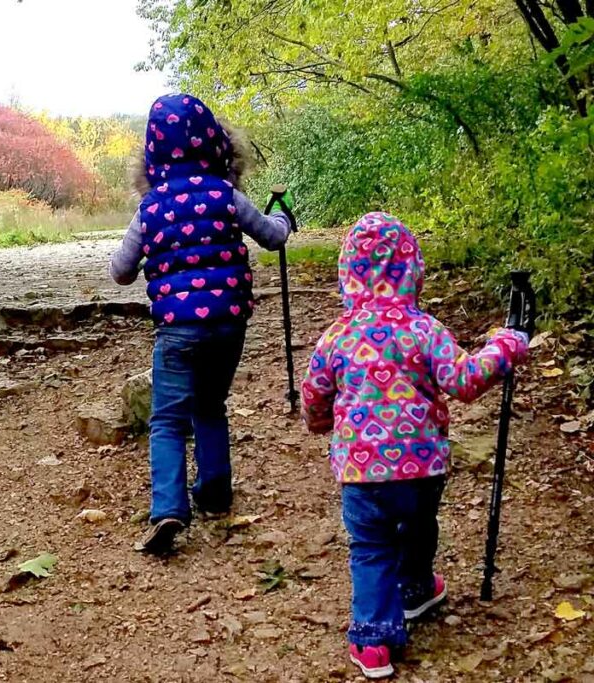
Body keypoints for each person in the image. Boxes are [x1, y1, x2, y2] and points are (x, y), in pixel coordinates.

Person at [300, 212, 530, 679]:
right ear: (412, 270)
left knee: (371, 548)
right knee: (420, 525)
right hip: (422, 465)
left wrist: (322, 423)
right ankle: (415, 588)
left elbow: (314, 393)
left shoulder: (337, 336)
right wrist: (505, 346)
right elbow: (465, 380)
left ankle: (372, 640)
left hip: (362, 472)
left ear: (348, 272)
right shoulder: (424, 329)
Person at [109, 93, 291, 554]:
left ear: (150, 154)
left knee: (168, 419)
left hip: (176, 330)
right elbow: (272, 237)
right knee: (210, 404)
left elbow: (121, 271)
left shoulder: (151, 208)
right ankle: (214, 491)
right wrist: (284, 218)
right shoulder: (225, 195)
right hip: (229, 324)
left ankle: (168, 507)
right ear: (217, 144)